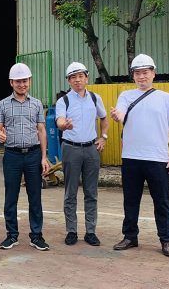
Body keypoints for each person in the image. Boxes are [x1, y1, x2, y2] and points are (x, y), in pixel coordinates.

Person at [111, 54, 169, 257]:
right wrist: (118, 115)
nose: (141, 76)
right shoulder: (125, 96)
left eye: (145, 72)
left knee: (162, 201)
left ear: (153, 73)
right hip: (131, 158)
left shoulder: (166, 99)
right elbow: (121, 113)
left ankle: (166, 239)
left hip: (157, 159)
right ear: (133, 76)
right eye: (137, 73)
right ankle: (130, 236)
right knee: (130, 200)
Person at [0, 63, 50, 251]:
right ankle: (11, 235)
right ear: (11, 82)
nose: (22, 84)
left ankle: (37, 236)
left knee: (35, 197)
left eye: (25, 81)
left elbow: (41, 130)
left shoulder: (36, 104)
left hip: (33, 155)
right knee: (11, 196)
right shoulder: (2, 104)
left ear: (30, 81)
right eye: (18, 81)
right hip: (12, 155)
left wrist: (44, 157)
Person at [56, 62, 109, 247]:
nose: (77, 80)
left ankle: (90, 232)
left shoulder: (95, 98)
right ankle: (71, 231)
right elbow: (59, 121)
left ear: (86, 78)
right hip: (71, 148)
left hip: (91, 149)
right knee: (70, 192)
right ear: (69, 81)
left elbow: (104, 118)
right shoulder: (64, 101)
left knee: (91, 192)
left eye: (80, 76)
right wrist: (64, 125)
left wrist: (103, 137)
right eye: (73, 77)